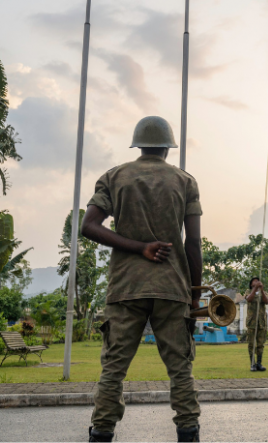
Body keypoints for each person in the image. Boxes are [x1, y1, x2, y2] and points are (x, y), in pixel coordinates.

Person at [81, 116, 203, 442]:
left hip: (126, 288)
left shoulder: (114, 176)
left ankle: (101, 433)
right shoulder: (185, 181)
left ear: (138, 144)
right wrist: (194, 295)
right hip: (172, 288)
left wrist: (138, 248)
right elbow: (193, 243)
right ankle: (189, 433)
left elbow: (89, 226)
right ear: (168, 146)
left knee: (113, 371)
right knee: (180, 370)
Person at [245, 277, 268, 371]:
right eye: (254, 281)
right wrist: (255, 289)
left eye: (258, 281)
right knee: (251, 344)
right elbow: (249, 299)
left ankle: (259, 363)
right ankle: (252, 364)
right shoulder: (248, 291)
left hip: (261, 322)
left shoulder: (264, 292)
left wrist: (262, 290)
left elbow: (266, 301)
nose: (257, 282)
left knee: (260, 344)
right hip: (252, 322)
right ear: (251, 284)